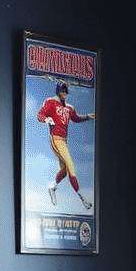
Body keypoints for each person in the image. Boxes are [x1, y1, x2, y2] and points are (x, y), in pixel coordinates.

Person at [38, 81, 94, 211]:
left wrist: (87, 117)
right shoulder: (51, 102)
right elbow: (40, 114)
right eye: (62, 91)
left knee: (63, 170)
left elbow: (75, 118)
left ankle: (52, 187)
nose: (64, 93)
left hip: (64, 140)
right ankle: (84, 199)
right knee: (70, 165)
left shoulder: (69, 108)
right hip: (56, 139)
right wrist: (47, 119)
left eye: (65, 91)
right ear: (58, 91)